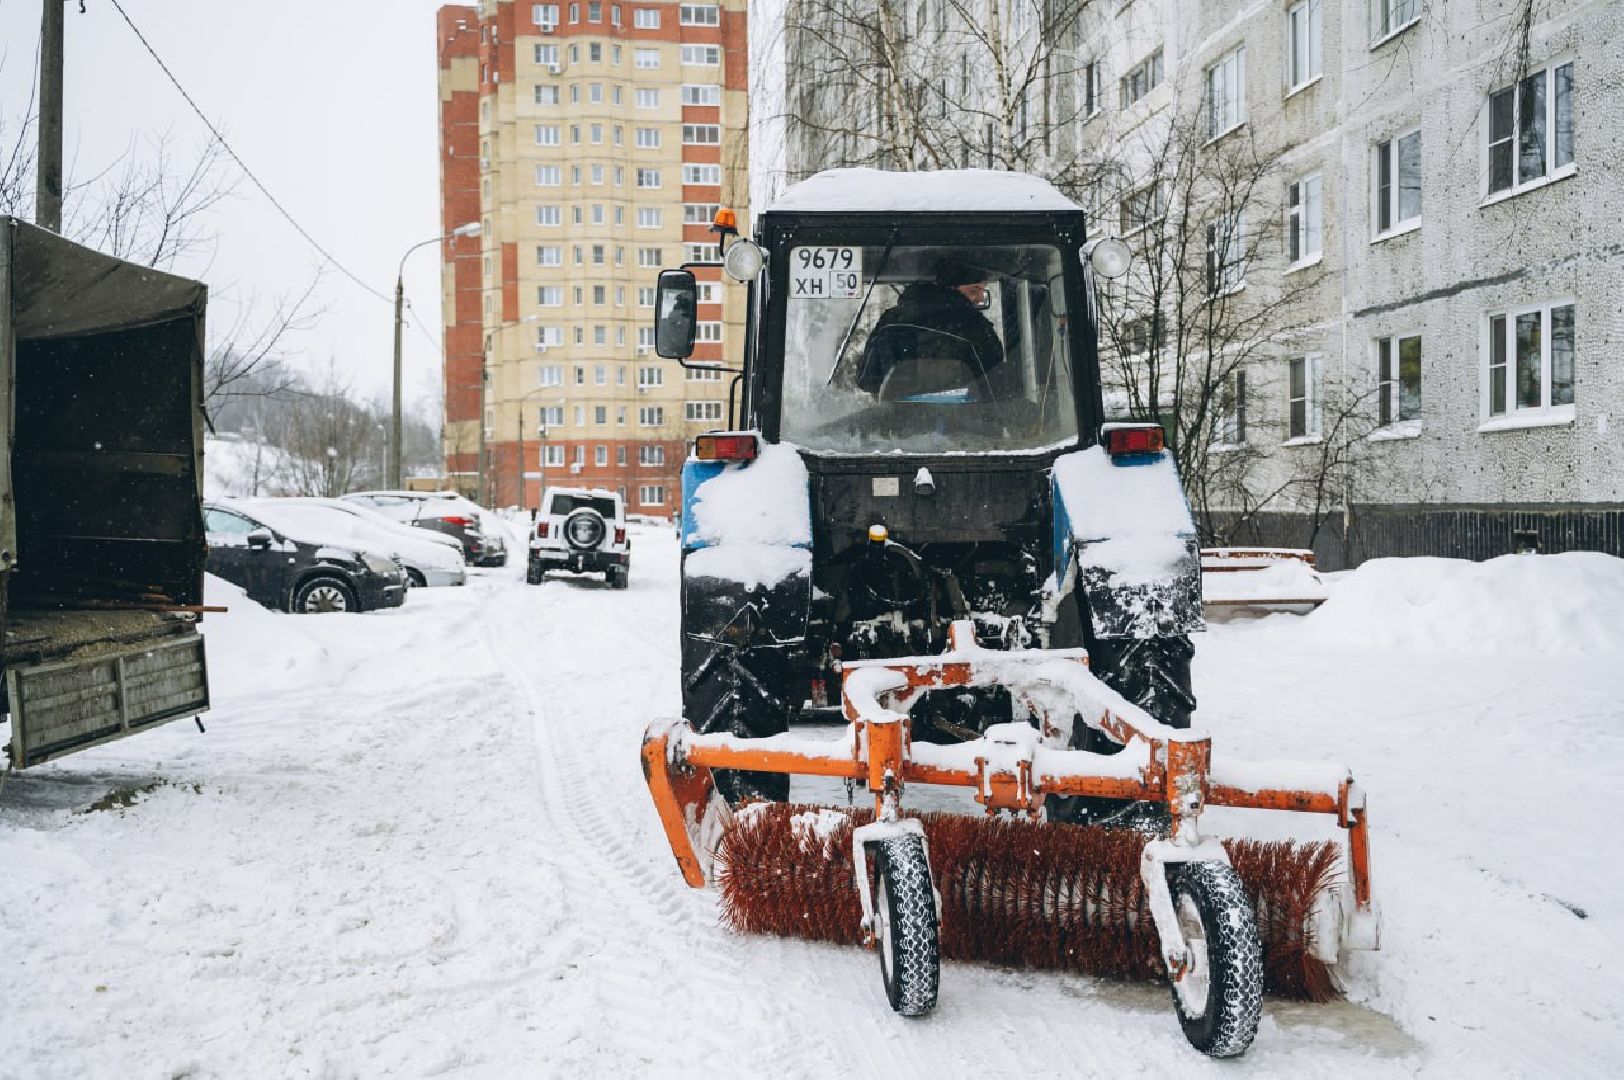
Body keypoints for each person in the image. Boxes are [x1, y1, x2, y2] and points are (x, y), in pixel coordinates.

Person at [855, 270, 1004, 397]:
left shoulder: (890, 323)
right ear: (950, 288)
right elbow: (998, 387)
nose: (980, 298)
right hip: (965, 420)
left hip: (896, 420)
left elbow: (866, 381)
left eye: (981, 291)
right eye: (974, 291)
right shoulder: (975, 326)